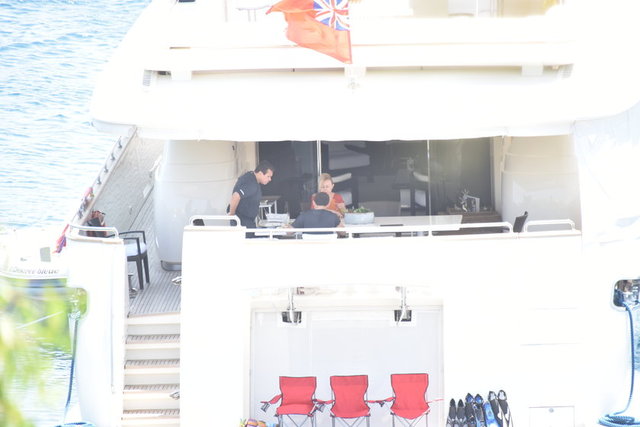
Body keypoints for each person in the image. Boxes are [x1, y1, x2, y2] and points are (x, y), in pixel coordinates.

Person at [228, 160, 274, 230]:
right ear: (260, 173)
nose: (270, 179)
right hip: (242, 221)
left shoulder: (251, 176)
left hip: (247, 221)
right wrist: (232, 215)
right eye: (268, 176)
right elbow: (236, 195)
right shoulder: (251, 183)